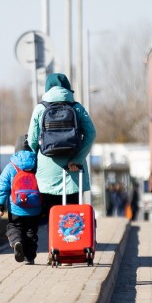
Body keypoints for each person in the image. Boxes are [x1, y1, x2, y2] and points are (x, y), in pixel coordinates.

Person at [26, 73, 96, 260]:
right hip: (72, 169)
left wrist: (38, 159)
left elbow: (32, 140)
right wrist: (78, 158)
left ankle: (54, 250)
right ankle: (71, 250)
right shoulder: (77, 108)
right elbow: (91, 134)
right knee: (72, 211)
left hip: (47, 170)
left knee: (52, 213)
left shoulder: (40, 109)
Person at [0, 135, 42, 264]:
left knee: (14, 226)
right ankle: (29, 257)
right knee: (31, 232)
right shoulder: (38, 165)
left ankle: (16, 242)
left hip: (16, 207)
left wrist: (0, 205)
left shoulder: (11, 166)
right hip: (35, 208)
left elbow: (2, 185)